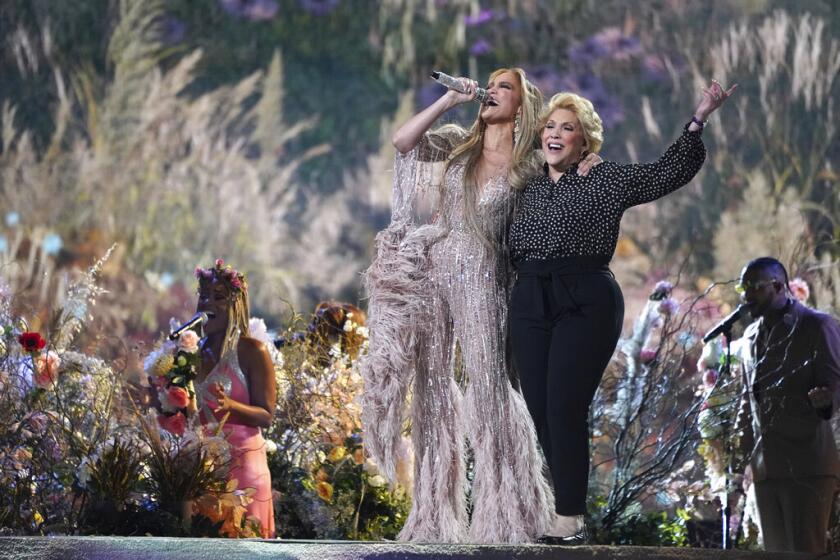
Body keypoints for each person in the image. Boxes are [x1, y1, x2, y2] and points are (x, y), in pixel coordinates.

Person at [360, 68, 599, 543]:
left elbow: (571, 160)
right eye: (489, 84)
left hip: (484, 274)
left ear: (522, 103)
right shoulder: (456, 144)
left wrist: (588, 161)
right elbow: (403, 141)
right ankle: (432, 518)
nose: (491, 90)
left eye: (503, 86)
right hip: (434, 269)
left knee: (488, 386)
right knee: (432, 392)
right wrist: (449, 100)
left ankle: (508, 512)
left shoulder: (530, 161)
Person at [507, 79, 736, 542]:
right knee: (539, 410)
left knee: (563, 406)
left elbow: (663, 173)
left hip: (585, 298)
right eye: (549, 125)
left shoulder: (604, 177)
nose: (554, 133)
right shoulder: (524, 184)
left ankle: (568, 515)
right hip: (530, 296)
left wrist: (699, 118)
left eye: (567, 128)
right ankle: (558, 503)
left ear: (583, 141)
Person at [734, 257, 840, 553]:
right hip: (767, 470)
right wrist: (738, 464)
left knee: (805, 551)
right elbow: (747, 401)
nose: (745, 295)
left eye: (753, 287)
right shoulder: (750, 336)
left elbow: (836, 381)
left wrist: (826, 399)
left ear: (779, 286)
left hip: (807, 465)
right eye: (742, 288)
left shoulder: (817, 325)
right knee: (776, 553)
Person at [194, 259, 277, 538]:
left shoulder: (253, 351)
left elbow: (266, 415)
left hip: (245, 471)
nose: (207, 303)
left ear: (235, 305)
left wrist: (230, 406)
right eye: (203, 296)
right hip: (201, 470)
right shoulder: (191, 353)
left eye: (218, 297)